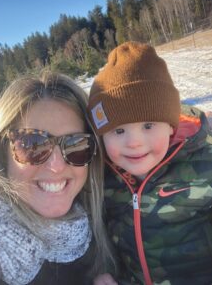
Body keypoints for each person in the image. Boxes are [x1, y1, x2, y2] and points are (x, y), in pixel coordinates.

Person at [88, 41, 212, 285]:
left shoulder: (203, 165)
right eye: (119, 131)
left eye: (148, 126)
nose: (134, 142)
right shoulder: (105, 178)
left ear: (170, 126)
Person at [0, 71, 116, 285]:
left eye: (76, 145)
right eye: (32, 144)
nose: (56, 166)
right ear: (1, 153)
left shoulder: (105, 214)